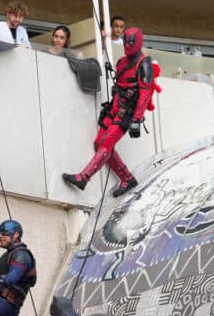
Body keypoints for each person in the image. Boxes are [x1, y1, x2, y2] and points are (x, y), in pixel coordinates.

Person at [63, 27, 160, 198]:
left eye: (130, 42)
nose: (127, 45)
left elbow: (144, 93)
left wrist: (136, 119)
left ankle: (83, 178)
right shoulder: (122, 62)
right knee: (99, 143)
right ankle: (127, 178)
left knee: (106, 144)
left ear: (137, 42)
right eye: (125, 41)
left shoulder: (144, 64)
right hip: (115, 106)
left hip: (127, 111)